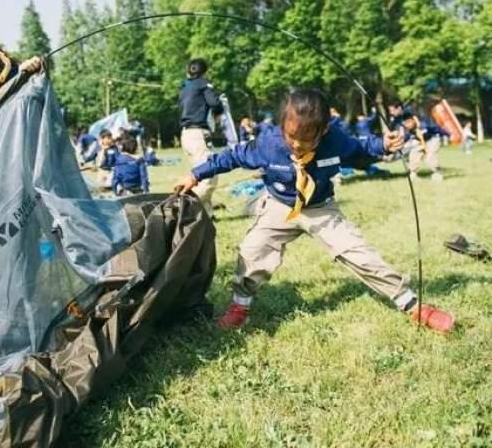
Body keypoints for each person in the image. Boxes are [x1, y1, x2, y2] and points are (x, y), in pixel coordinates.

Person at [174, 88, 454, 334]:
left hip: (320, 207)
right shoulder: (269, 143)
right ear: (282, 125)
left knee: (358, 252)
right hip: (278, 205)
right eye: (291, 136)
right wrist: (196, 175)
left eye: (306, 139)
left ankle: (411, 304)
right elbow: (231, 156)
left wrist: (383, 144)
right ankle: (239, 307)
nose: (296, 144)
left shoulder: (336, 141)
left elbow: (359, 150)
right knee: (252, 252)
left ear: (324, 131)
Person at [178, 58, 223, 215]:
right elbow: (215, 103)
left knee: (199, 174)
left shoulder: (185, 87)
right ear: (204, 71)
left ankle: (207, 215)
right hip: (198, 134)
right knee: (209, 174)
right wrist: (219, 114)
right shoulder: (204, 84)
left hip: (186, 135)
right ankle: (186, 208)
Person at [401, 113, 447, 181]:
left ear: (413, 120)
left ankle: (438, 172)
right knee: (414, 152)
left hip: (434, 139)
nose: (407, 125)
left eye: (408, 122)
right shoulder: (409, 131)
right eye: (405, 123)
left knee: (430, 156)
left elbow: (437, 129)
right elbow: (405, 139)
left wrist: (448, 134)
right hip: (423, 142)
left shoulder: (424, 124)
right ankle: (413, 173)